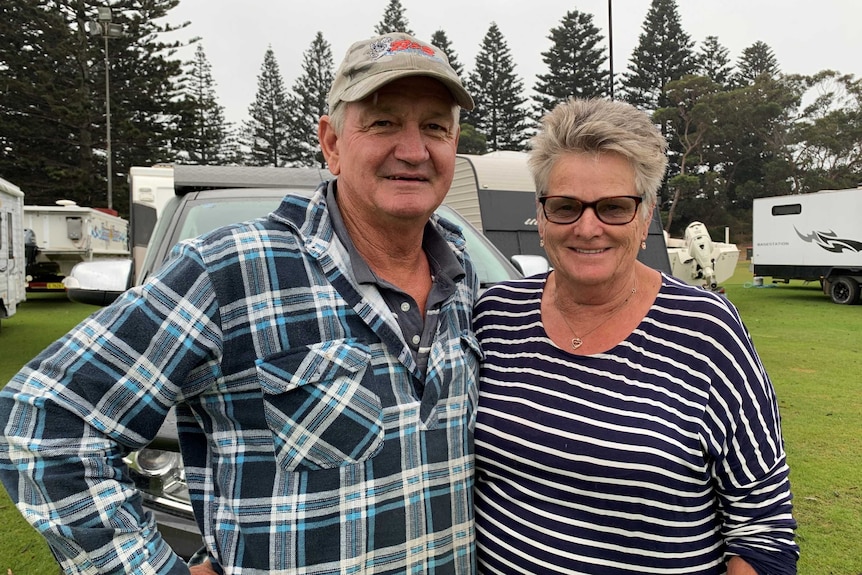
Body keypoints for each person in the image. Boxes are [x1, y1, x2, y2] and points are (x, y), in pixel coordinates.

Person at [0, 32, 480, 574]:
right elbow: (43, 422)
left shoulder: (461, 274)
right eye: (384, 122)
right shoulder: (231, 269)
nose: (414, 150)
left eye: (435, 126)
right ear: (332, 143)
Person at [472, 98, 799, 575]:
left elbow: (763, 529)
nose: (588, 227)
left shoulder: (706, 329)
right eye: (565, 207)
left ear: (645, 217)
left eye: (614, 207)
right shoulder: (495, 314)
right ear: (539, 217)